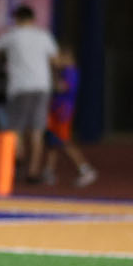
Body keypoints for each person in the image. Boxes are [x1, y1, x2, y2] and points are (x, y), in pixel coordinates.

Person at [0, 4, 58, 185]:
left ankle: (18, 156)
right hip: (42, 86)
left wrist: (6, 59)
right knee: (37, 130)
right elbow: (55, 60)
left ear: (18, 19)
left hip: (20, 86)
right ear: (33, 19)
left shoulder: (12, 36)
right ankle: (34, 170)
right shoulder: (43, 36)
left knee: (15, 128)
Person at [41, 44, 97, 186]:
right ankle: (49, 171)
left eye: (59, 57)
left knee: (64, 142)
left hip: (62, 112)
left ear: (67, 58)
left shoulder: (70, 71)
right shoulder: (65, 71)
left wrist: (52, 72)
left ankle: (85, 169)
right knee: (52, 142)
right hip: (56, 111)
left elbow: (62, 87)